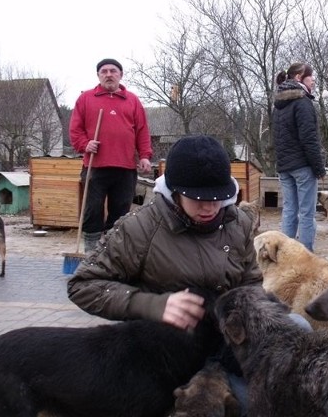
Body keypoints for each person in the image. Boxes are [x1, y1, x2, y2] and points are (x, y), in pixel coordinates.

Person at [67, 134, 262, 415]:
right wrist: (153, 304)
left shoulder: (238, 222)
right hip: (165, 355)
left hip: (227, 342)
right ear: (175, 191)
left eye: (217, 198)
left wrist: (252, 320)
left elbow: (251, 281)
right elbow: (83, 285)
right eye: (197, 199)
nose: (209, 208)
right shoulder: (138, 229)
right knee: (242, 406)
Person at [69, 58, 153, 252]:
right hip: (95, 166)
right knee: (92, 209)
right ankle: (91, 252)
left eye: (113, 71)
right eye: (104, 71)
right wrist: (85, 144)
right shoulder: (86, 99)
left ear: (120, 75)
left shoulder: (132, 100)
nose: (108, 74)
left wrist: (145, 155)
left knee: (121, 211)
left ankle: (112, 251)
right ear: (98, 76)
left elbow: (142, 131)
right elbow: (75, 129)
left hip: (125, 168)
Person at [273, 63, 326, 252]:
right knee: (306, 214)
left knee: (289, 211)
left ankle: (285, 255)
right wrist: (319, 168)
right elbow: (309, 139)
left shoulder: (279, 105)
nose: (313, 81)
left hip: (284, 166)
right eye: (311, 77)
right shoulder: (302, 103)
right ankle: (306, 256)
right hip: (302, 166)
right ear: (298, 78)